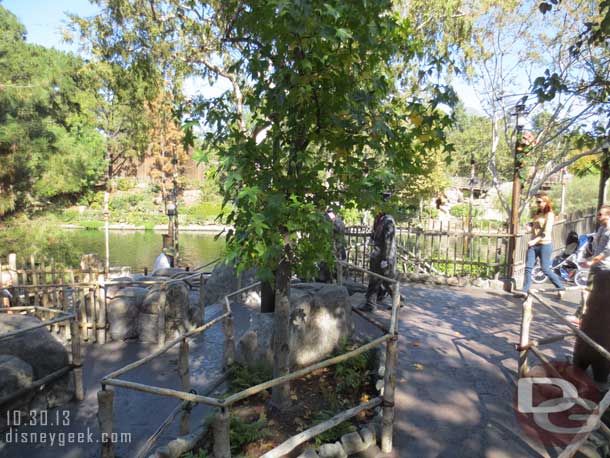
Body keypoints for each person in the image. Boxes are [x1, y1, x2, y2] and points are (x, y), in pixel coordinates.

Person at [520, 192, 564, 298]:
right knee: (528, 267)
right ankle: (524, 291)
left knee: (545, 269)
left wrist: (535, 241)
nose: (537, 204)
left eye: (539, 202)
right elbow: (536, 226)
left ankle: (560, 287)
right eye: (537, 201)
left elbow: (546, 232)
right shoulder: (538, 214)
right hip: (533, 245)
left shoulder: (550, 215)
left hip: (544, 245)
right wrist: (529, 227)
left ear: (546, 202)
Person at [363, 192, 397, 312]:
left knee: (387, 281)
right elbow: (376, 234)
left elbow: (388, 241)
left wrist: (386, 259)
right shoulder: (379, 219)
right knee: (375, 280)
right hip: (377, 254)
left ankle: (398, 301)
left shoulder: (388, 221)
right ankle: (370, 304)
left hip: (384, 256)